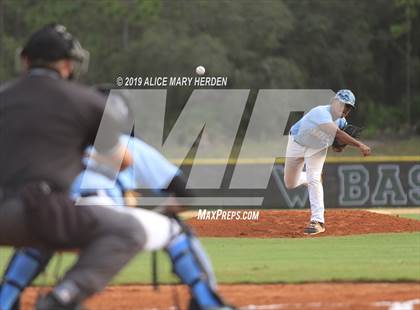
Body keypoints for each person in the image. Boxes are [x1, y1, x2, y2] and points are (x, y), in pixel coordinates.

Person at [0, 89, 234, 310]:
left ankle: (4, 301)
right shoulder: (128, 145)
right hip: (107, 222)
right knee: (175, 231)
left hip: (64, 218)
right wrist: (161, 212)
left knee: (42, 229)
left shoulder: (60, 146)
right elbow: (185, 195)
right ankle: (209, 303)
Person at [0, 24, 148, 310]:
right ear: (68, 65)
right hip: (40, 211)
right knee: (128, 231)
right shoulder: (84, 101)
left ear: (25, 60)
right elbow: (124, 160)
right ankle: (63, 298)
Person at [284, 89, 371, 235]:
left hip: (316, 150)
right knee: (290, 183)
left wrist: (338, 146)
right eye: (342, 104)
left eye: (348, 107)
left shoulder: (342, 122)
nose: (345, 109)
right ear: (333, 102)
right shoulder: (321, 113)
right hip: (296, 143)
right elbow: (337, 133)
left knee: (315, 179)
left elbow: (337, 140)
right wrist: (359, 145)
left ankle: (318, 221)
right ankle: (307, 178)